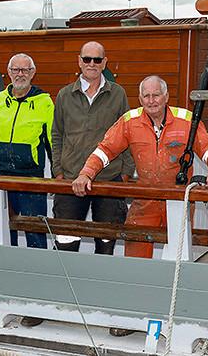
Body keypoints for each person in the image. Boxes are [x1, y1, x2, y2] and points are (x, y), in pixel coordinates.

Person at [73, 75, 208, 259]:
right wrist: (86, 174)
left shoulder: (186, 120)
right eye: (146, 96)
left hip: (178, 201)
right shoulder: (130, 121)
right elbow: (105, 150)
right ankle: (138, 286)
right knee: (136, 255)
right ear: (140, 99)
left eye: (156, 95)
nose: (151, 101)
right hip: (145, 201)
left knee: (178, 258)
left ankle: (173, 287)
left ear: (166, 96)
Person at [51, 41, 133, 254]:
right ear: (79, 61)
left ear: (104, 63)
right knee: (66, 242)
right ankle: (67, 286)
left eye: (97, 59)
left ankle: (102, 286)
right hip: (70, 179)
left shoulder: (118, 94)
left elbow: (128, 135)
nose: (92, 64)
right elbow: (57, 134)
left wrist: (125, 173)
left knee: (106, 243)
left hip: (109, 180)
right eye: (87, 59)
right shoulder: (64, 95)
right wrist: (58, 171)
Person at [0, 53, 54, 250]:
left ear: (33, 73)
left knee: (35, 231)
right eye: (16, 70)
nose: (20, 74)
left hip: (31, 177)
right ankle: (5, 270)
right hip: (0, 175)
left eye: (25, 70)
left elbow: (51, 141)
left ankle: (37, 272)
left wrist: (57, 174)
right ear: (9, 72)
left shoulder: (45, 102)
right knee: (3, 231)